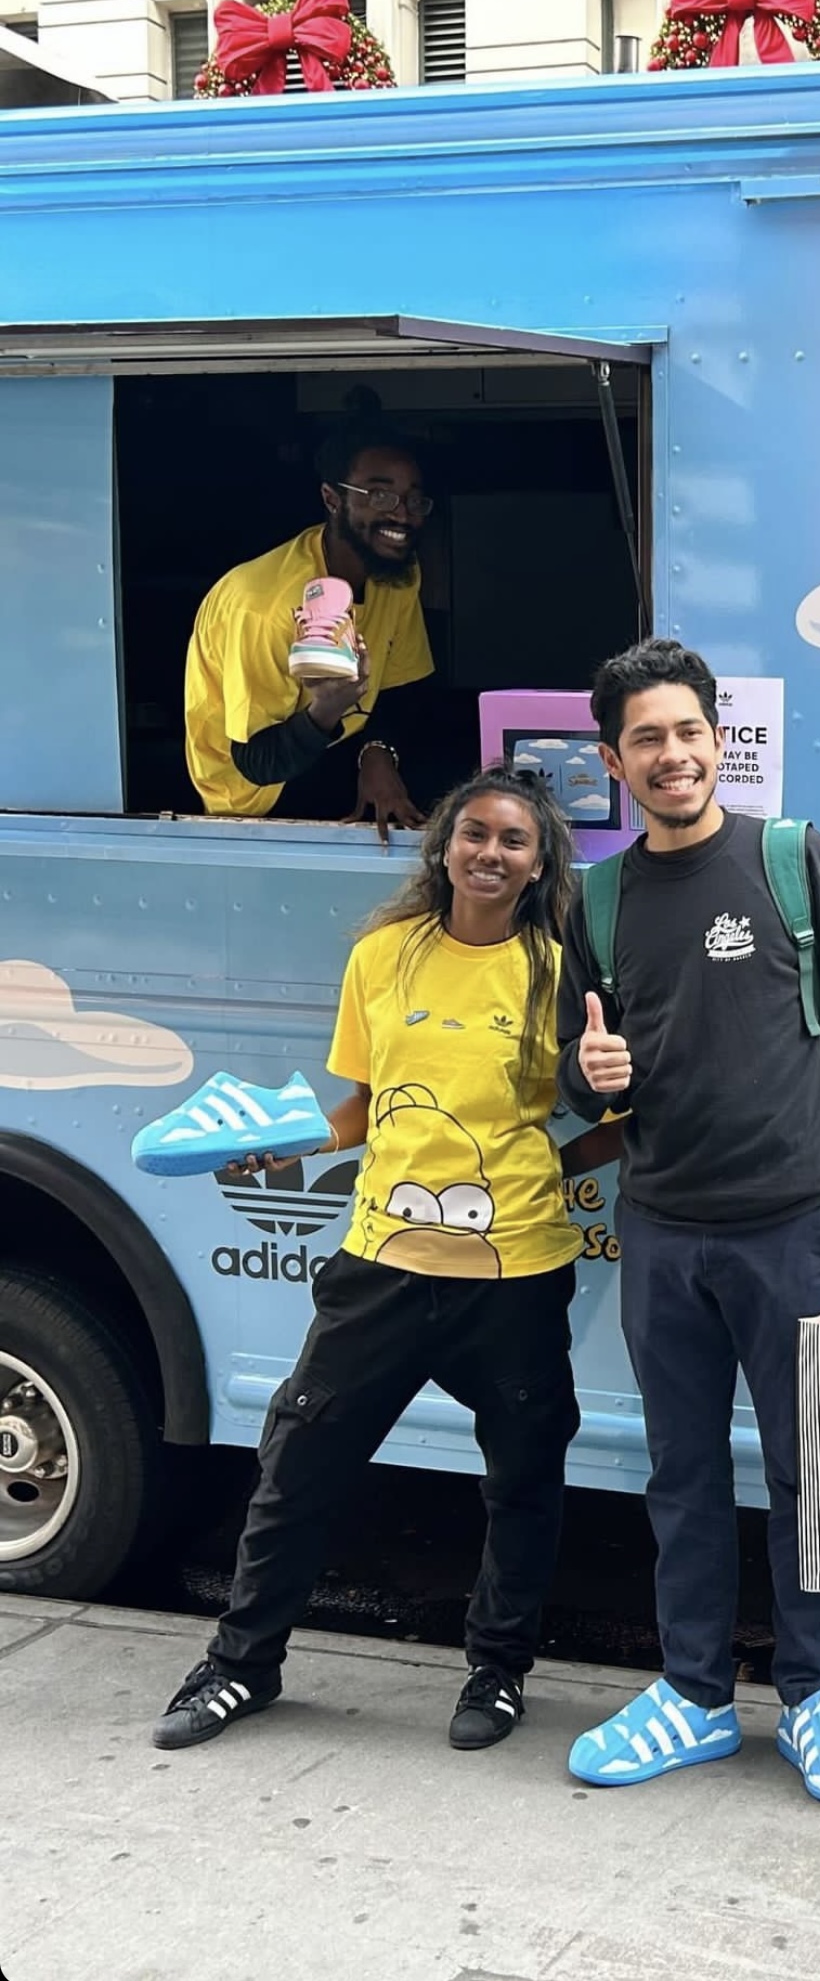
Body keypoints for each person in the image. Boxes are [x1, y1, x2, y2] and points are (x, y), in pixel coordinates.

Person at [556, 640, 820, 1806]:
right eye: (647, 739)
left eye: (688, 731)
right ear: (613, 759)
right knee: (682, 1473)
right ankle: (695, 1696)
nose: (672, 755)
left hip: (796, 1227)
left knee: (814, 1471)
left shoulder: (788, 859)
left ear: (719, 739)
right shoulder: (596, 896)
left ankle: (812, 1693)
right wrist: (590, 1077)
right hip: (662, 1230)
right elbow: (577, 1073)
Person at [152, 766, 584, 1753]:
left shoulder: (559, 973)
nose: (490, 852)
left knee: (523, 1478)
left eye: (513, 840)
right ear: (445, 845)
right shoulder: (383, 956)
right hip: (380, 1258)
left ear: (539, 864)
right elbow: (362, 1102)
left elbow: (620, 1113)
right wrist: (297, 1143)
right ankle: (241, 1664)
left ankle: (499, 1672)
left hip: (513, 1275)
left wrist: (543, 1166)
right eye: (474, 832)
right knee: (299, 1461)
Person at [184, 413, 435, 837]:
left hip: (338, 743)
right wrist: (328, 707)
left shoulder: (397, 573)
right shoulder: (263, 606)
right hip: (252, 799)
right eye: (380, 496)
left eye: (413, 500)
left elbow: (401, 688)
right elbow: (257, 763)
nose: (402, 515)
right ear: (332, 499)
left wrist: (377, 755)